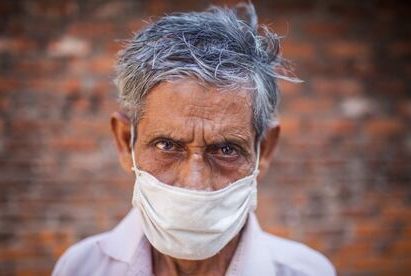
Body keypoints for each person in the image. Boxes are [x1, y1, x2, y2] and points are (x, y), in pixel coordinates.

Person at [53, 3, 335, 276]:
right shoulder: (81, 268)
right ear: (126, 142)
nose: (194, 183)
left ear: (264, 150)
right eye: (167, 145)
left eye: (226, 149)